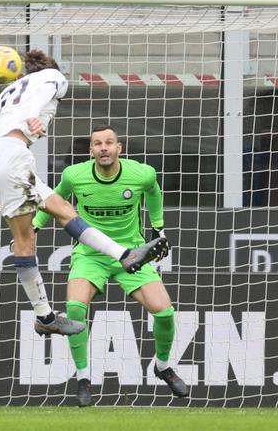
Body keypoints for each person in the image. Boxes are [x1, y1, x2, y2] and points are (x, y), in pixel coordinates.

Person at [0, 49, 168, 337]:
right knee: (24, 243)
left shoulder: (8, 92)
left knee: (64, 209)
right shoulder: (52, 77)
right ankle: (44, 316)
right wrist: (32, 119)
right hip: (13, 159)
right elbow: (42, 92)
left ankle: (126, 255)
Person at [33, 125, 188, 406]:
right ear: (91, 151)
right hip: (91, 256)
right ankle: (83, 379)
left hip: (131, 255)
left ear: (119, 148)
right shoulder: (74, 175)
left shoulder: (141, 173)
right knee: (76, 310)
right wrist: (34, 227)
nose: (103, 148)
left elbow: (153, 191)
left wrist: (158, 226)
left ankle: (163, 366)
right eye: (97, 144)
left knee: (164, 313)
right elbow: (52, 200)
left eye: (108, 143)